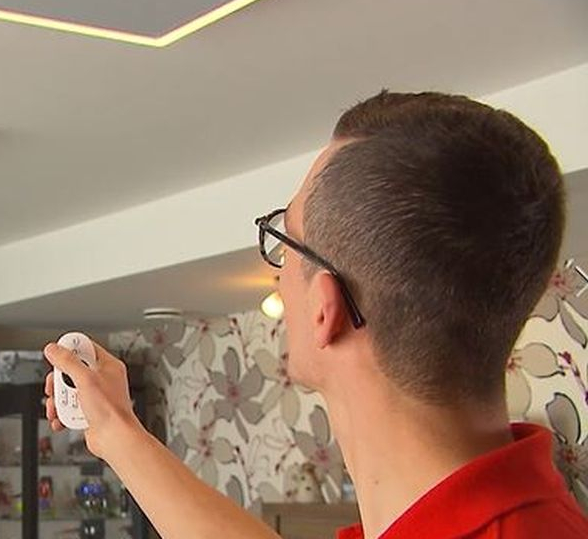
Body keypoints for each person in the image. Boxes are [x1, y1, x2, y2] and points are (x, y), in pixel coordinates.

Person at [43, 91, 588, 539]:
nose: (279, 273)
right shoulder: (512, 513)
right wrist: (116, 430)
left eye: (286, 242)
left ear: (327, 308)